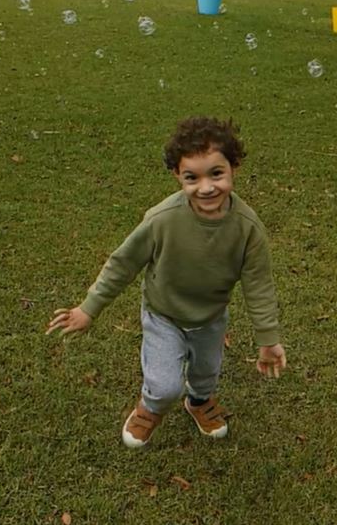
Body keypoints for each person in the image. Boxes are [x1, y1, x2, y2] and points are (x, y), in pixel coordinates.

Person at [46, 116, 286, 449]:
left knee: (206, 373)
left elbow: (259, 284)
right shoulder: (162, 220)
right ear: (177, 176)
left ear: (234, 167)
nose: (205, 187)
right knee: (164, 384)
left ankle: (199, 402)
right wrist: (89, 308)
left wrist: (268, 338)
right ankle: (150, 406)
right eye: (192, 177)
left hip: (211, 318)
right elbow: (123, 262)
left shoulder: (247, 228)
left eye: (216, 173)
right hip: (164, 315)